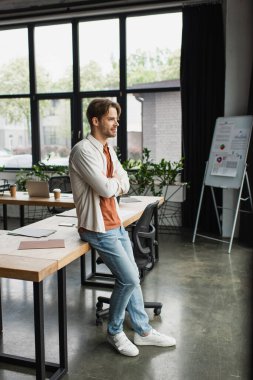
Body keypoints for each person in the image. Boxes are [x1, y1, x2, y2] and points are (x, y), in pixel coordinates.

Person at [69, 98, 176, 357]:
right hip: (97, 228)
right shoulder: (83, 150)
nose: (117, 123)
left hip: (114, 222)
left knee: (133, 278)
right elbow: (106, 187)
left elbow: (124, 181)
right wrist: (114, 182)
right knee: (128, 278)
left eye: (117, 119)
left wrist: (114, 182)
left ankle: (143, 331)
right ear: (95, 121)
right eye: (111, 119)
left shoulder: (108, 149)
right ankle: (115, 331)